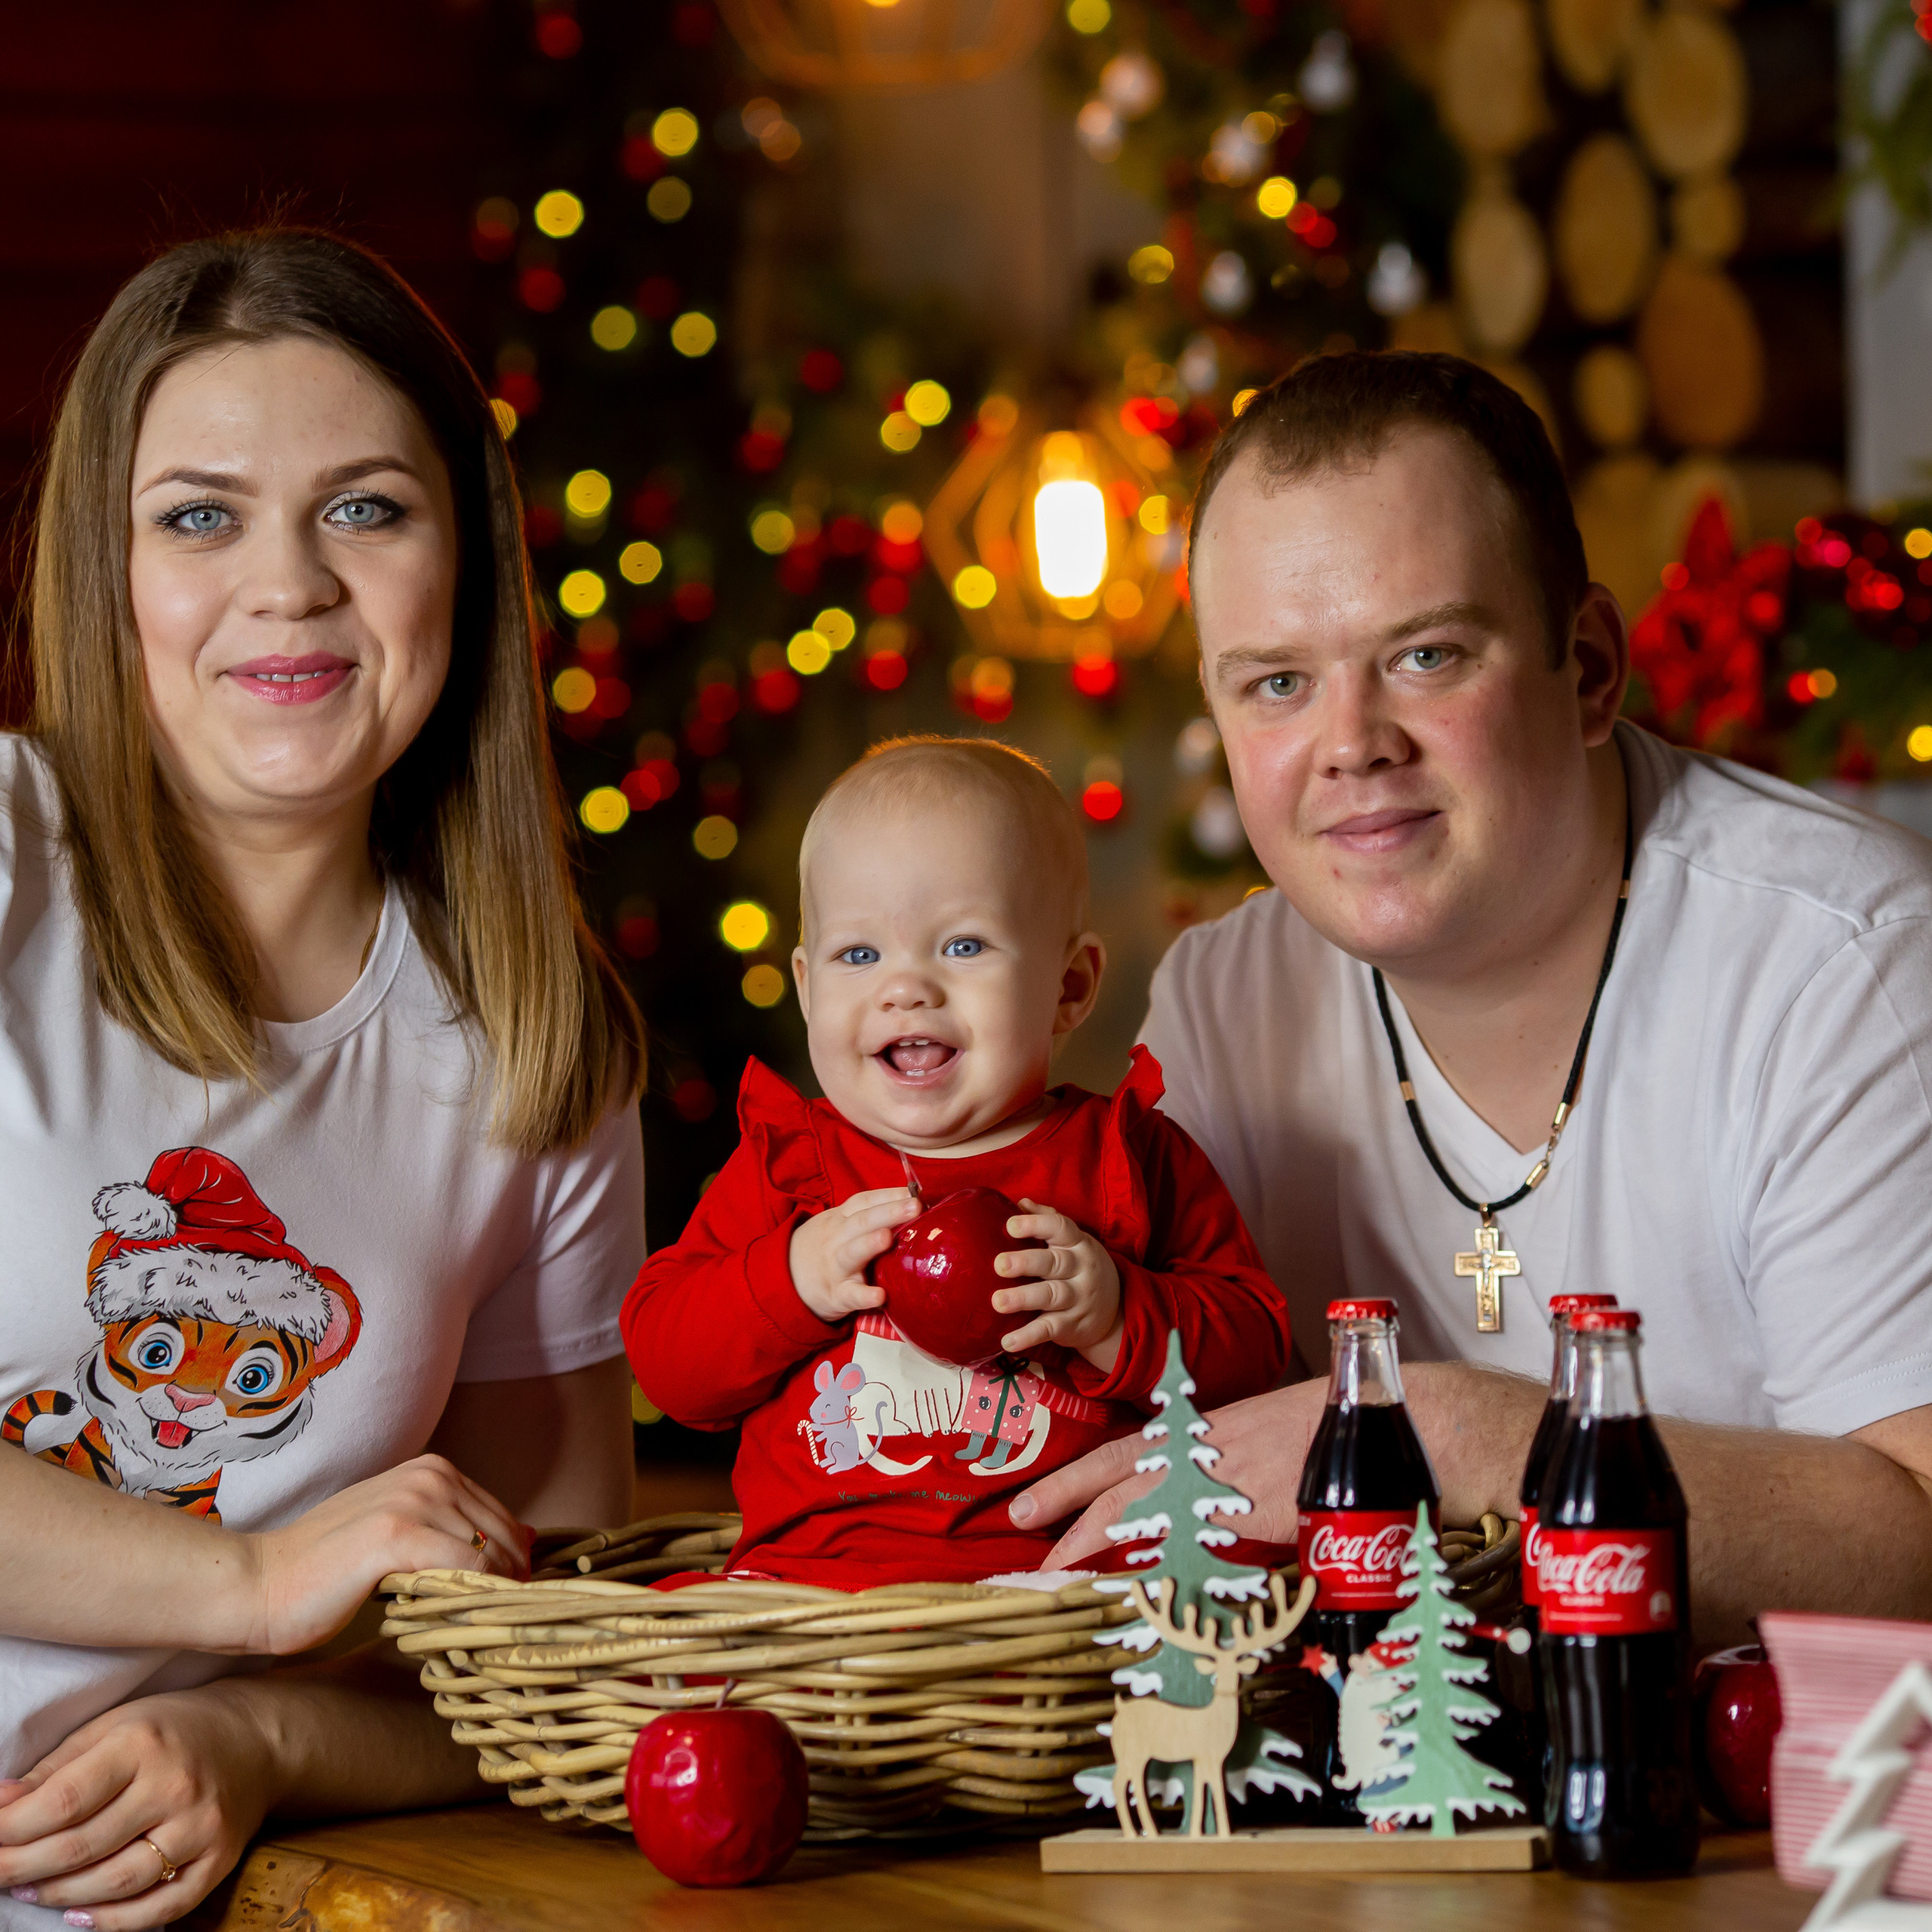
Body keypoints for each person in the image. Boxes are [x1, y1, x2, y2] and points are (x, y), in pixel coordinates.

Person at [1010, 352, 1932, 1644]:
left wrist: (1447, 1435)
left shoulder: (1852, 962)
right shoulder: (1227, 1001)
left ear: (1591, 666)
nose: (1352, 744)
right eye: (1277, 682)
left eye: (1428, 655)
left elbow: (1923, 1533)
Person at [0, 229, 646, 1932]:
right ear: (107, 569)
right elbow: (300, 1575)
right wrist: (255, 1578)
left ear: (464, 563)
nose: (286, 584)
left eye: (365, 506)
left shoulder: (535, 1041)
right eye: (198, 515)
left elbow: (541, 1638)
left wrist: (262, 1728)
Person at [623, 738, 1290, 1584]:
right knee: (683, 1652)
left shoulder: (1127, 1155)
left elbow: (1256, 1349)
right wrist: (786, 1280)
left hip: (1065, 1589)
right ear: (804, 984)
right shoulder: (794, 1168)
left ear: (1070, 986)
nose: (905, 988)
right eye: (858, 956)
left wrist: (1119, 1312)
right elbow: (666, 1364)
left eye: (964, 946)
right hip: (810, 1595)